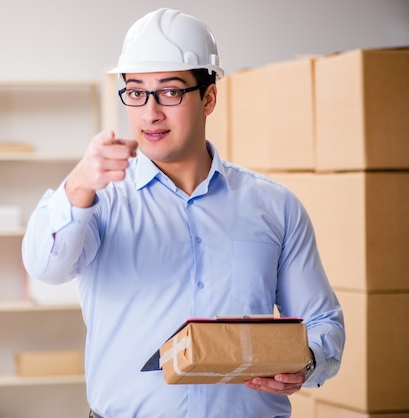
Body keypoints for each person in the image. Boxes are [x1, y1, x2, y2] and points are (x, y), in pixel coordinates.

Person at [22, 7, 345, 418]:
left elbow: (323, 322)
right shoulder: (98, 199)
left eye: (170, 92)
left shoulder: (274, 206)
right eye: (136, 92)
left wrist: (308, 361)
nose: (150, 112)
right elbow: (44, 267)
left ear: (208, 97)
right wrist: (78, 185)